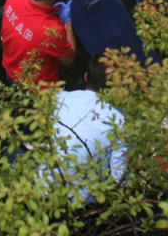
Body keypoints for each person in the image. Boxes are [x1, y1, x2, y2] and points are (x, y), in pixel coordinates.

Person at [48, 56, 126, 204]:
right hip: (78, 203)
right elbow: (120, 177)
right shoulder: (119, 122)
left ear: (85, 77)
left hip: (42, 186)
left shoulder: (60, 99)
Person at [1, 0, 75, 87]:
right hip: (37, 89)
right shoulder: (51, 30)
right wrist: (67, 23)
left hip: (10, 69)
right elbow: (69, 60)